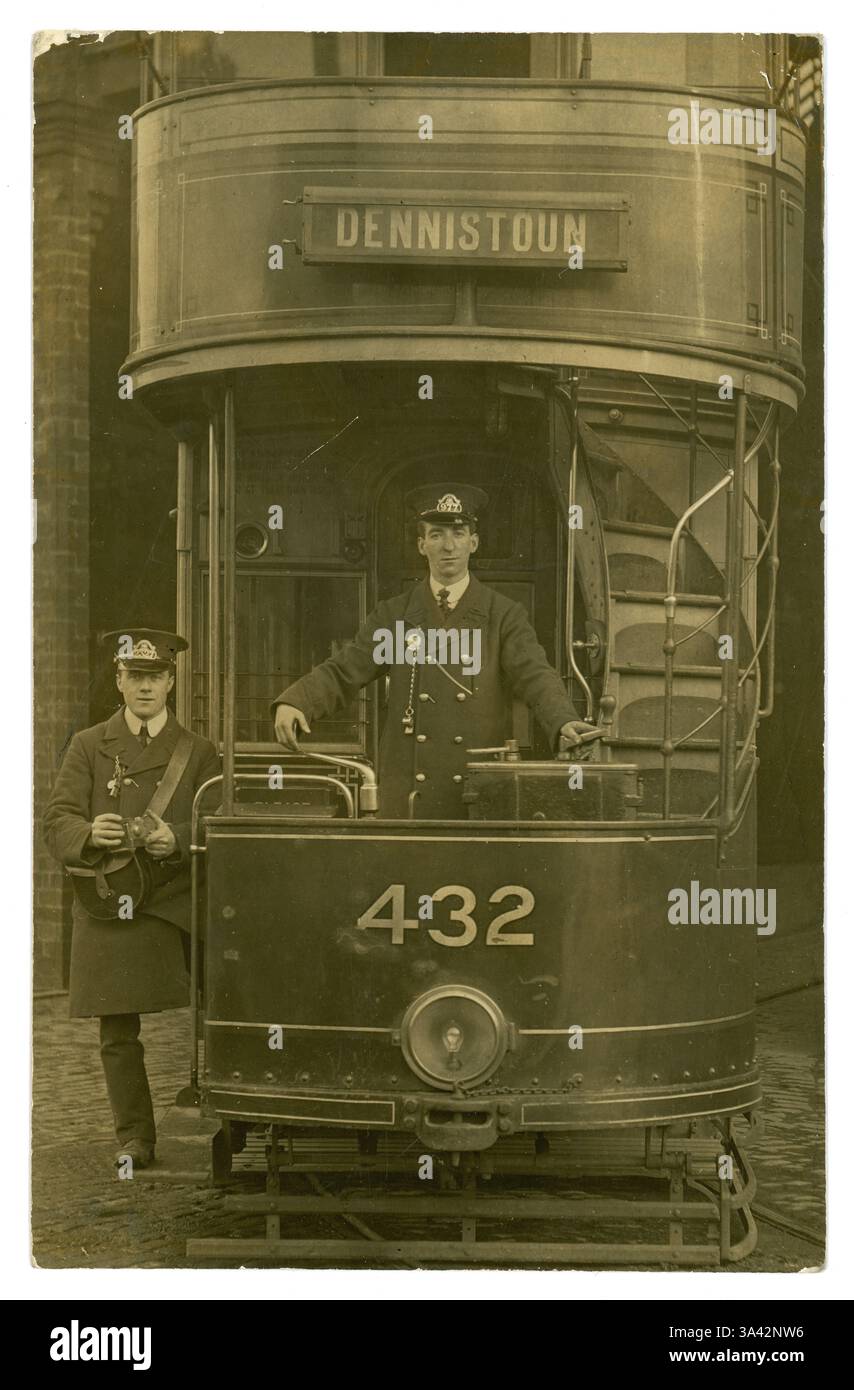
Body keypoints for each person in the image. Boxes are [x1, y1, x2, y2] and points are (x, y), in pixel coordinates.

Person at [273, 486, 597, 818]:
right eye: (437, 535)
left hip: (477, 789)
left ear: (474, 542)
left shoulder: (502, 615)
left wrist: (564, 720)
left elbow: (536, 675)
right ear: (421, 545)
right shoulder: (396, 615)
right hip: (409, 793)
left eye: (458, 533)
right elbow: (346, 668)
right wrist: (297, 700)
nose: (448, 546)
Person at [44, 628, 220, 1169]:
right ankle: (135, 1139)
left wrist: (182, 842)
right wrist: (89, 834)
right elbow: (57, 820)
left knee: (221, 1006)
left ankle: (226, 1114)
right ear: (119, 681)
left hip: (172, 900)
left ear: (171, 682)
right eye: (135, 676)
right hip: (109, 896)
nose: (145, 687)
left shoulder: (198, 751)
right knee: (117, 1029)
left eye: (156, 677)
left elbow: (219, 824)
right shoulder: (88, 744)